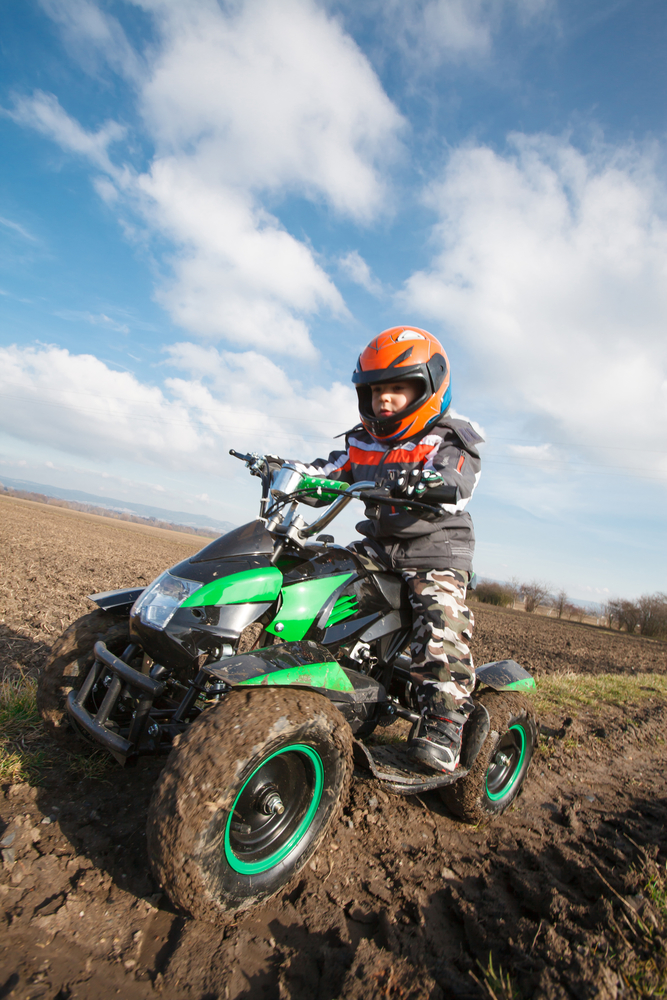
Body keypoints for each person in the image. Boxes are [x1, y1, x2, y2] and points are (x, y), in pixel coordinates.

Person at [291, 326, 483, 773]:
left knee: (440, 620)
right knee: (319, 578)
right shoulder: (363, 439)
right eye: (377, 389)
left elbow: (457, 481)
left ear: (429, 386)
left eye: (398, 388)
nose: (385, 399)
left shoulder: (451, 438)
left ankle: (444, 719)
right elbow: (329, 473)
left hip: (435, 551)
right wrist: (291, 473)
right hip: (378, 546)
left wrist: (426, 480)